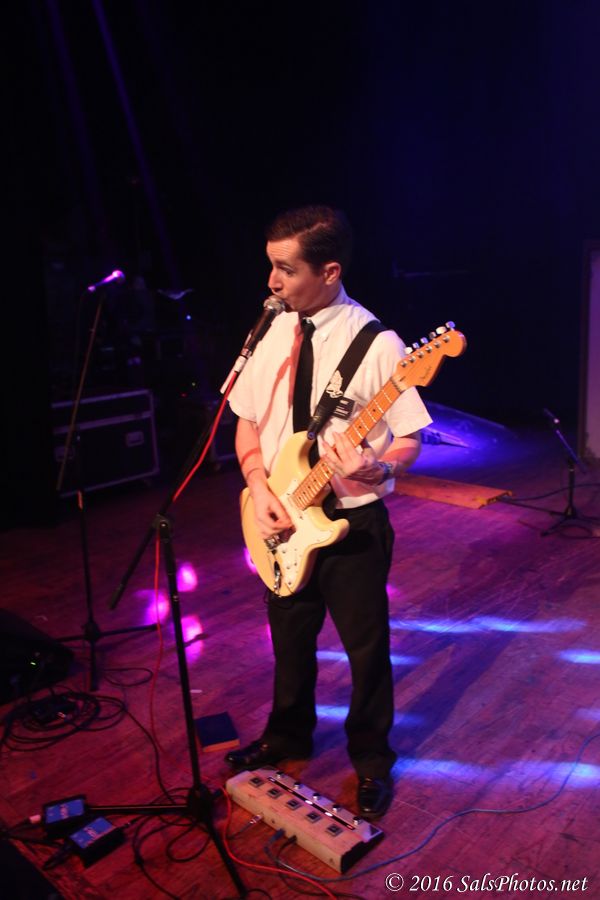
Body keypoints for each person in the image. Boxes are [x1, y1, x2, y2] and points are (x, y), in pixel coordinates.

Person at [225, 205, 432, 819]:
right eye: (271, 267)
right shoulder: (269, 331)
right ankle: (287, 735)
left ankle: (370, 758)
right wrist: (259, 487)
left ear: (330, 271)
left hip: (352, 522)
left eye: (286, 270)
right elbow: (247, 422)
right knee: (289, 641)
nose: (272, 282)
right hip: (279, 516)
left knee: (366, 650)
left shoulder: (378, 343)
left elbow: (409, 438)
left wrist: (381, 468)